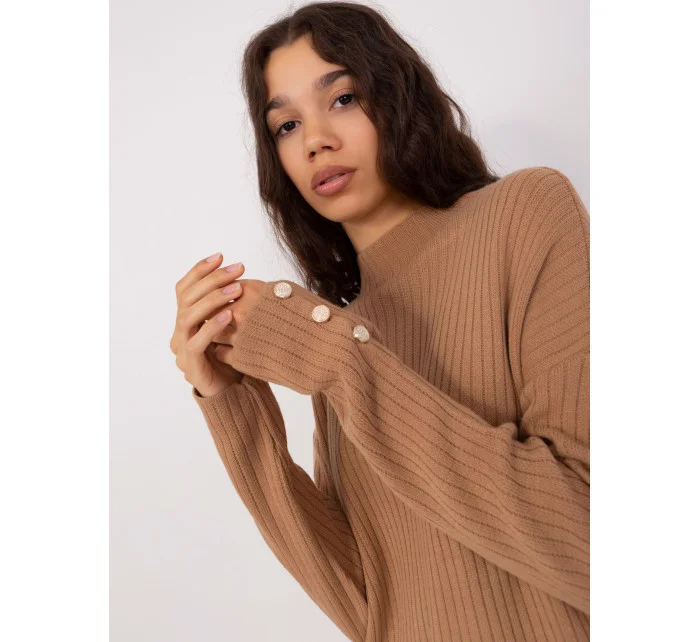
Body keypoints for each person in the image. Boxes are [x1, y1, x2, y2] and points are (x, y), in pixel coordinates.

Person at [170, 3, 590, 640]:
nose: (315, 140)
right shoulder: (344, 334)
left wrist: (339, 360)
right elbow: (366, 608)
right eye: (286, 125)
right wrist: (232, 404)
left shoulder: (525, 214)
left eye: (342, 98)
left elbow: (588, 538)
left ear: (397, 96)